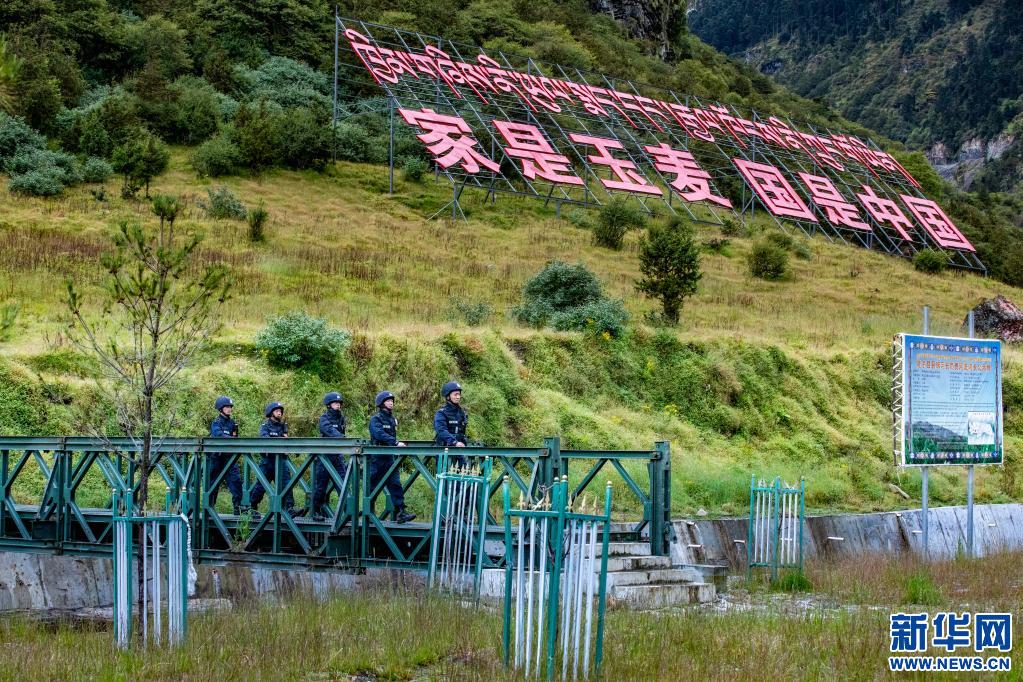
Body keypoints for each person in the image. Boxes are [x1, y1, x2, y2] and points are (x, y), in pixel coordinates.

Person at [368, 390, 416, 524]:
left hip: (389, 458)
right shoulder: (375, 419)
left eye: (392, 401)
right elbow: (378, 434)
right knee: (372, 486)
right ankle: (369, 514)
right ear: (381, 403)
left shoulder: (392, 419)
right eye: (388, 401)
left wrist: (396, 446)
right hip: (377, 458)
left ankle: (401, 512)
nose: (391, 403)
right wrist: (395, 443)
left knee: (395, 484)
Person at [249, 401, 294, 519]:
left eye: (280, 411)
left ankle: (290, 508)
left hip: (281, 461)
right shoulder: (265, 426)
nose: (279, 413)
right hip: (268, 461)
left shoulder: (283, 426)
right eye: (277, 411)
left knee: (287, 483)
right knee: (261, 486)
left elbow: (287, 443)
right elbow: (265, 439)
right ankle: (252, 507)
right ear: (271, 413)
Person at [312, 391, 349, 521]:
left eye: (339, 403)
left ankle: (347, 512)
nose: (338, 405)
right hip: (325, 457)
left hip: (337, 457)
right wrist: (342, 437)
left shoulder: (341, 419)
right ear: (329, 405)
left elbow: (341, 432)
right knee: (321, 486)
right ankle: (316, 511)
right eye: (335, 403)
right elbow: (328, 430)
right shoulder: (324, 418)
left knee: (343, 484)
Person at [208, 395, 243, 515]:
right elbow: (218, 435)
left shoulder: (232, 423)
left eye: (230, 407)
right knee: (212, 484)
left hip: (229, 458)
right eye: (227, 407)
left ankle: (237, 508)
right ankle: (210, 509)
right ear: (221, 408)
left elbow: (236, 439)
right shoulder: (216, 423)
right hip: (216, 458)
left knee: (236, 481)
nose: (229, 409)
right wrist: (231, 439)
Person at [434, 380, 469, 469]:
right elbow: (441, 430)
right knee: (444, 476)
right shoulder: (441, 413)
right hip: (444, 451)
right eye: (455, 394)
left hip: (458, 451)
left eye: (459, 394)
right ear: (448, 396)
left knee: (464, 473)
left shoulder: (461, 412)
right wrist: (454, 442)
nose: (458, 397)